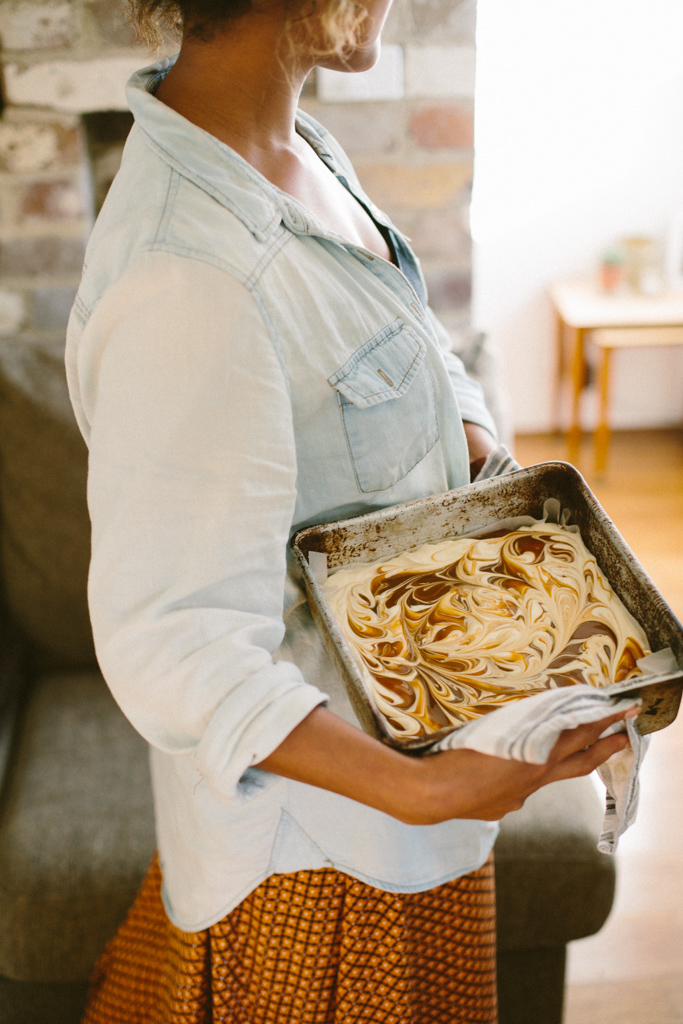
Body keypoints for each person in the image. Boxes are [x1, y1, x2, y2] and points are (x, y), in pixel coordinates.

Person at [66, 0, 634, 1019]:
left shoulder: (295, 151)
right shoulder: (190, 272)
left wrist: (476, 460)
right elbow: (171, 640)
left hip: (408, 803)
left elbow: (407, 342)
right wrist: (426, 788)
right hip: (334, 859)